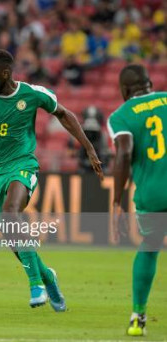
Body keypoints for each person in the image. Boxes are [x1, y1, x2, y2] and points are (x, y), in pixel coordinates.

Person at [0, 49, 103, 311]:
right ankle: (48, 276)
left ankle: (36, 284)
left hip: (22, 164)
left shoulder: (33, 94)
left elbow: (65, 114)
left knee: (11, 213)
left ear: (5, 73)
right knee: (13, 241)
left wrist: (89, 148)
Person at [109, 64, 167, 336]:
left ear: (124, 90)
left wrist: (117, 201)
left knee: (151, 245)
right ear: (150, 84)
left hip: (153, 194)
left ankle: (137, 317)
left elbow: (123, 154)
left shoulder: (121, 116)